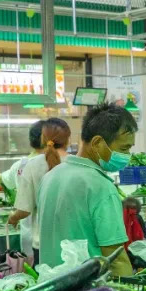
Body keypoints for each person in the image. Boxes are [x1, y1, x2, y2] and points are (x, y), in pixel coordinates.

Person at [37, 103, 135, 277]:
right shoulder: (100, 186)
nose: (127, 156)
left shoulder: (50, 176)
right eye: (124, 148)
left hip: (49, 286)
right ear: (97, 143)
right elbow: (116, 259)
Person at [9, 118, 70, 266]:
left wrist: (13, 218)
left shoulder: (32, 166)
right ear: (68, 139)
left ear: (43, 139)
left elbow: (24, 210)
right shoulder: (77, 163)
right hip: (73, 244)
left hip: (43, 244)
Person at [0, 120, 45, 193]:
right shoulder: (56, 162)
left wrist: (0, 176)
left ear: (30, 140)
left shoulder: (21, 165)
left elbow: (10, 182)